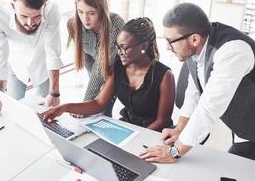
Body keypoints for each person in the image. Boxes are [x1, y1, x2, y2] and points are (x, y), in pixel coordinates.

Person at [140, 3, 255, 163]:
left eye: (170, 41)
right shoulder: (195, 45)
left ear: (194, 39)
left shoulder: (232, 52)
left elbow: (209, 108)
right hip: (240, 106)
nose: (167, 47)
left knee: (235, 165)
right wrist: (180, 128)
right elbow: (194, 89)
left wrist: (173, 152)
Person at [42, 17, 175, 131]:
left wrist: (136, 138)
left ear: (144, 46)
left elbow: (162, 121)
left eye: (124, 47)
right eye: (118, 47)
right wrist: (64, 108)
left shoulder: (164, 76)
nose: (119, 52)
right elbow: (98, 103)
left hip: (154, 135)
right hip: (129, 128)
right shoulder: (118, 67)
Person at [0, 0, 63, 117]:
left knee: (46, 112)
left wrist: (54, 93)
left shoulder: (51, 10)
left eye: (37, 16)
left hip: (42, 66)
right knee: (13, 111)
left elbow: (52, 52)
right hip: (16, 66)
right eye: (24, 16)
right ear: (12, 6)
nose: (30, 23)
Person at [66, 0, 124, 117]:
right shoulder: (72, 24)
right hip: (100, 71)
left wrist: (86, 103)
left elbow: (103, 63)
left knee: (101, 113)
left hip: (118, 71)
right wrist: (93, 96)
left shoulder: (116, 23)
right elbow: (88, 59)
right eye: (80, 12)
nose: (84, 19)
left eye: (91, 13)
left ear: (101, 9)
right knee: (93, 109)